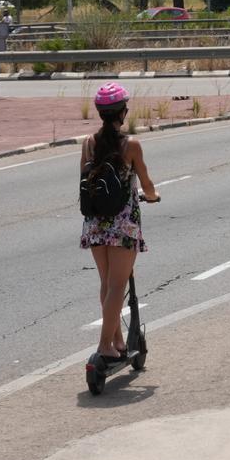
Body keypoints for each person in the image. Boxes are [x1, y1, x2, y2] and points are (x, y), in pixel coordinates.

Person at [80, 82, 159, 361]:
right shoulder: (131, 145)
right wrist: (152, 195)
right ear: (122, 113)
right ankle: (104, 345)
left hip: (94, 223)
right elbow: (147, 184)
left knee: (107, 284)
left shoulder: (89, 143)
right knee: (117, 285)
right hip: (122, 224)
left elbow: (84, 180)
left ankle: (118, 343)